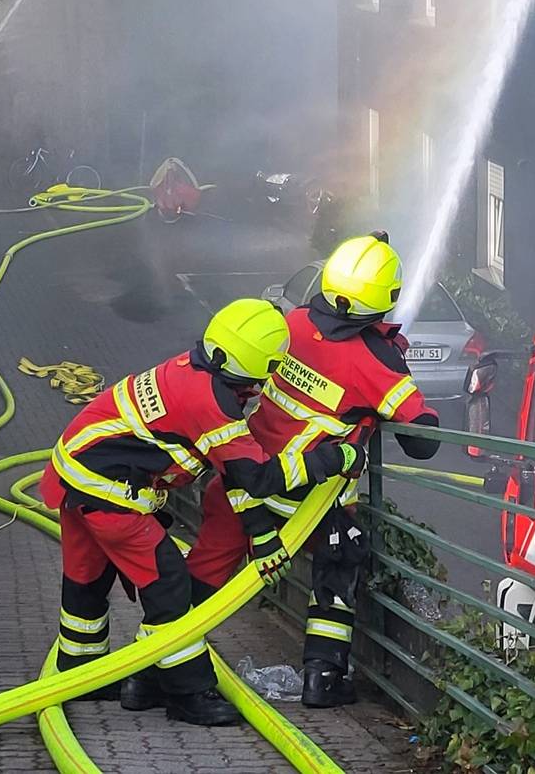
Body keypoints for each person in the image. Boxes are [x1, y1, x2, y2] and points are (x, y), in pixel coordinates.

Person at [40, 298, 365, 725]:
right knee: (170, 586)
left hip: (75, 479)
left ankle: (80, 672)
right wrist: (333, 459)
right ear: (260, 368)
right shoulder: (213, 405)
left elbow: (230, 469)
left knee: (87, 579)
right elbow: (258, 477)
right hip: (110, 497)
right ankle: (186, 693)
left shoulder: (190, 370)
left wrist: (260, 533)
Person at [188, 231, 442, 708]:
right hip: (308, 497)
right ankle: (321, 678)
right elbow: (422, 442)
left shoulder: (295, 322)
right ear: (386, 298)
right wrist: (409, 400)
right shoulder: (378, 361)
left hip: (242, 482)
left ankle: (159, 664)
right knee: (339, 566)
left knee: (205, 572)